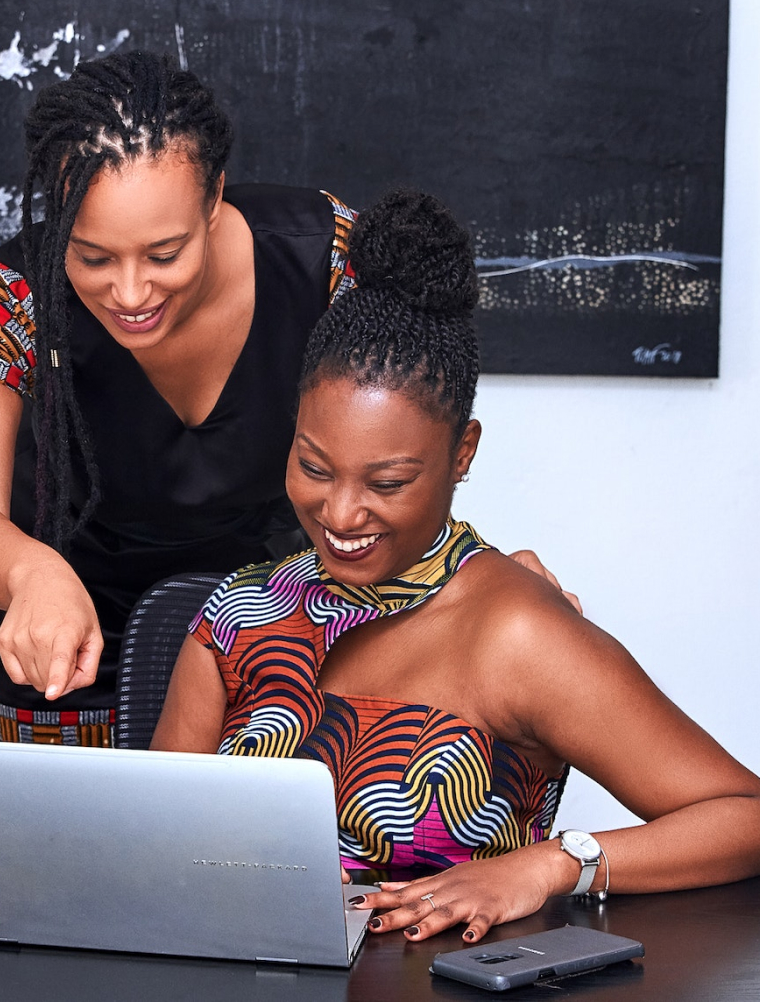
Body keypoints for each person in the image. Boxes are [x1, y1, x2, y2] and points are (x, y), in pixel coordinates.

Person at [150, 189, 760, 943]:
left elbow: (743, 817)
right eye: (314, 466)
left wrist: (550, 865)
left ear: (461, 453)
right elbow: (154, 850)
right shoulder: (238, 615)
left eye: (387, 483)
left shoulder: (518, 632)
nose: (340, 514)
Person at [0, 50, 571, 744]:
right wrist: (29, 573)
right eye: (92, 257)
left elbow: (405, 438)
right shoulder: (6, 296)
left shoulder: (327, 261)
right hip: (65, 660)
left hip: (274, 647)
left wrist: (476, 577)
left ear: (215, 199)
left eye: (165, 253)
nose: (132, 292)